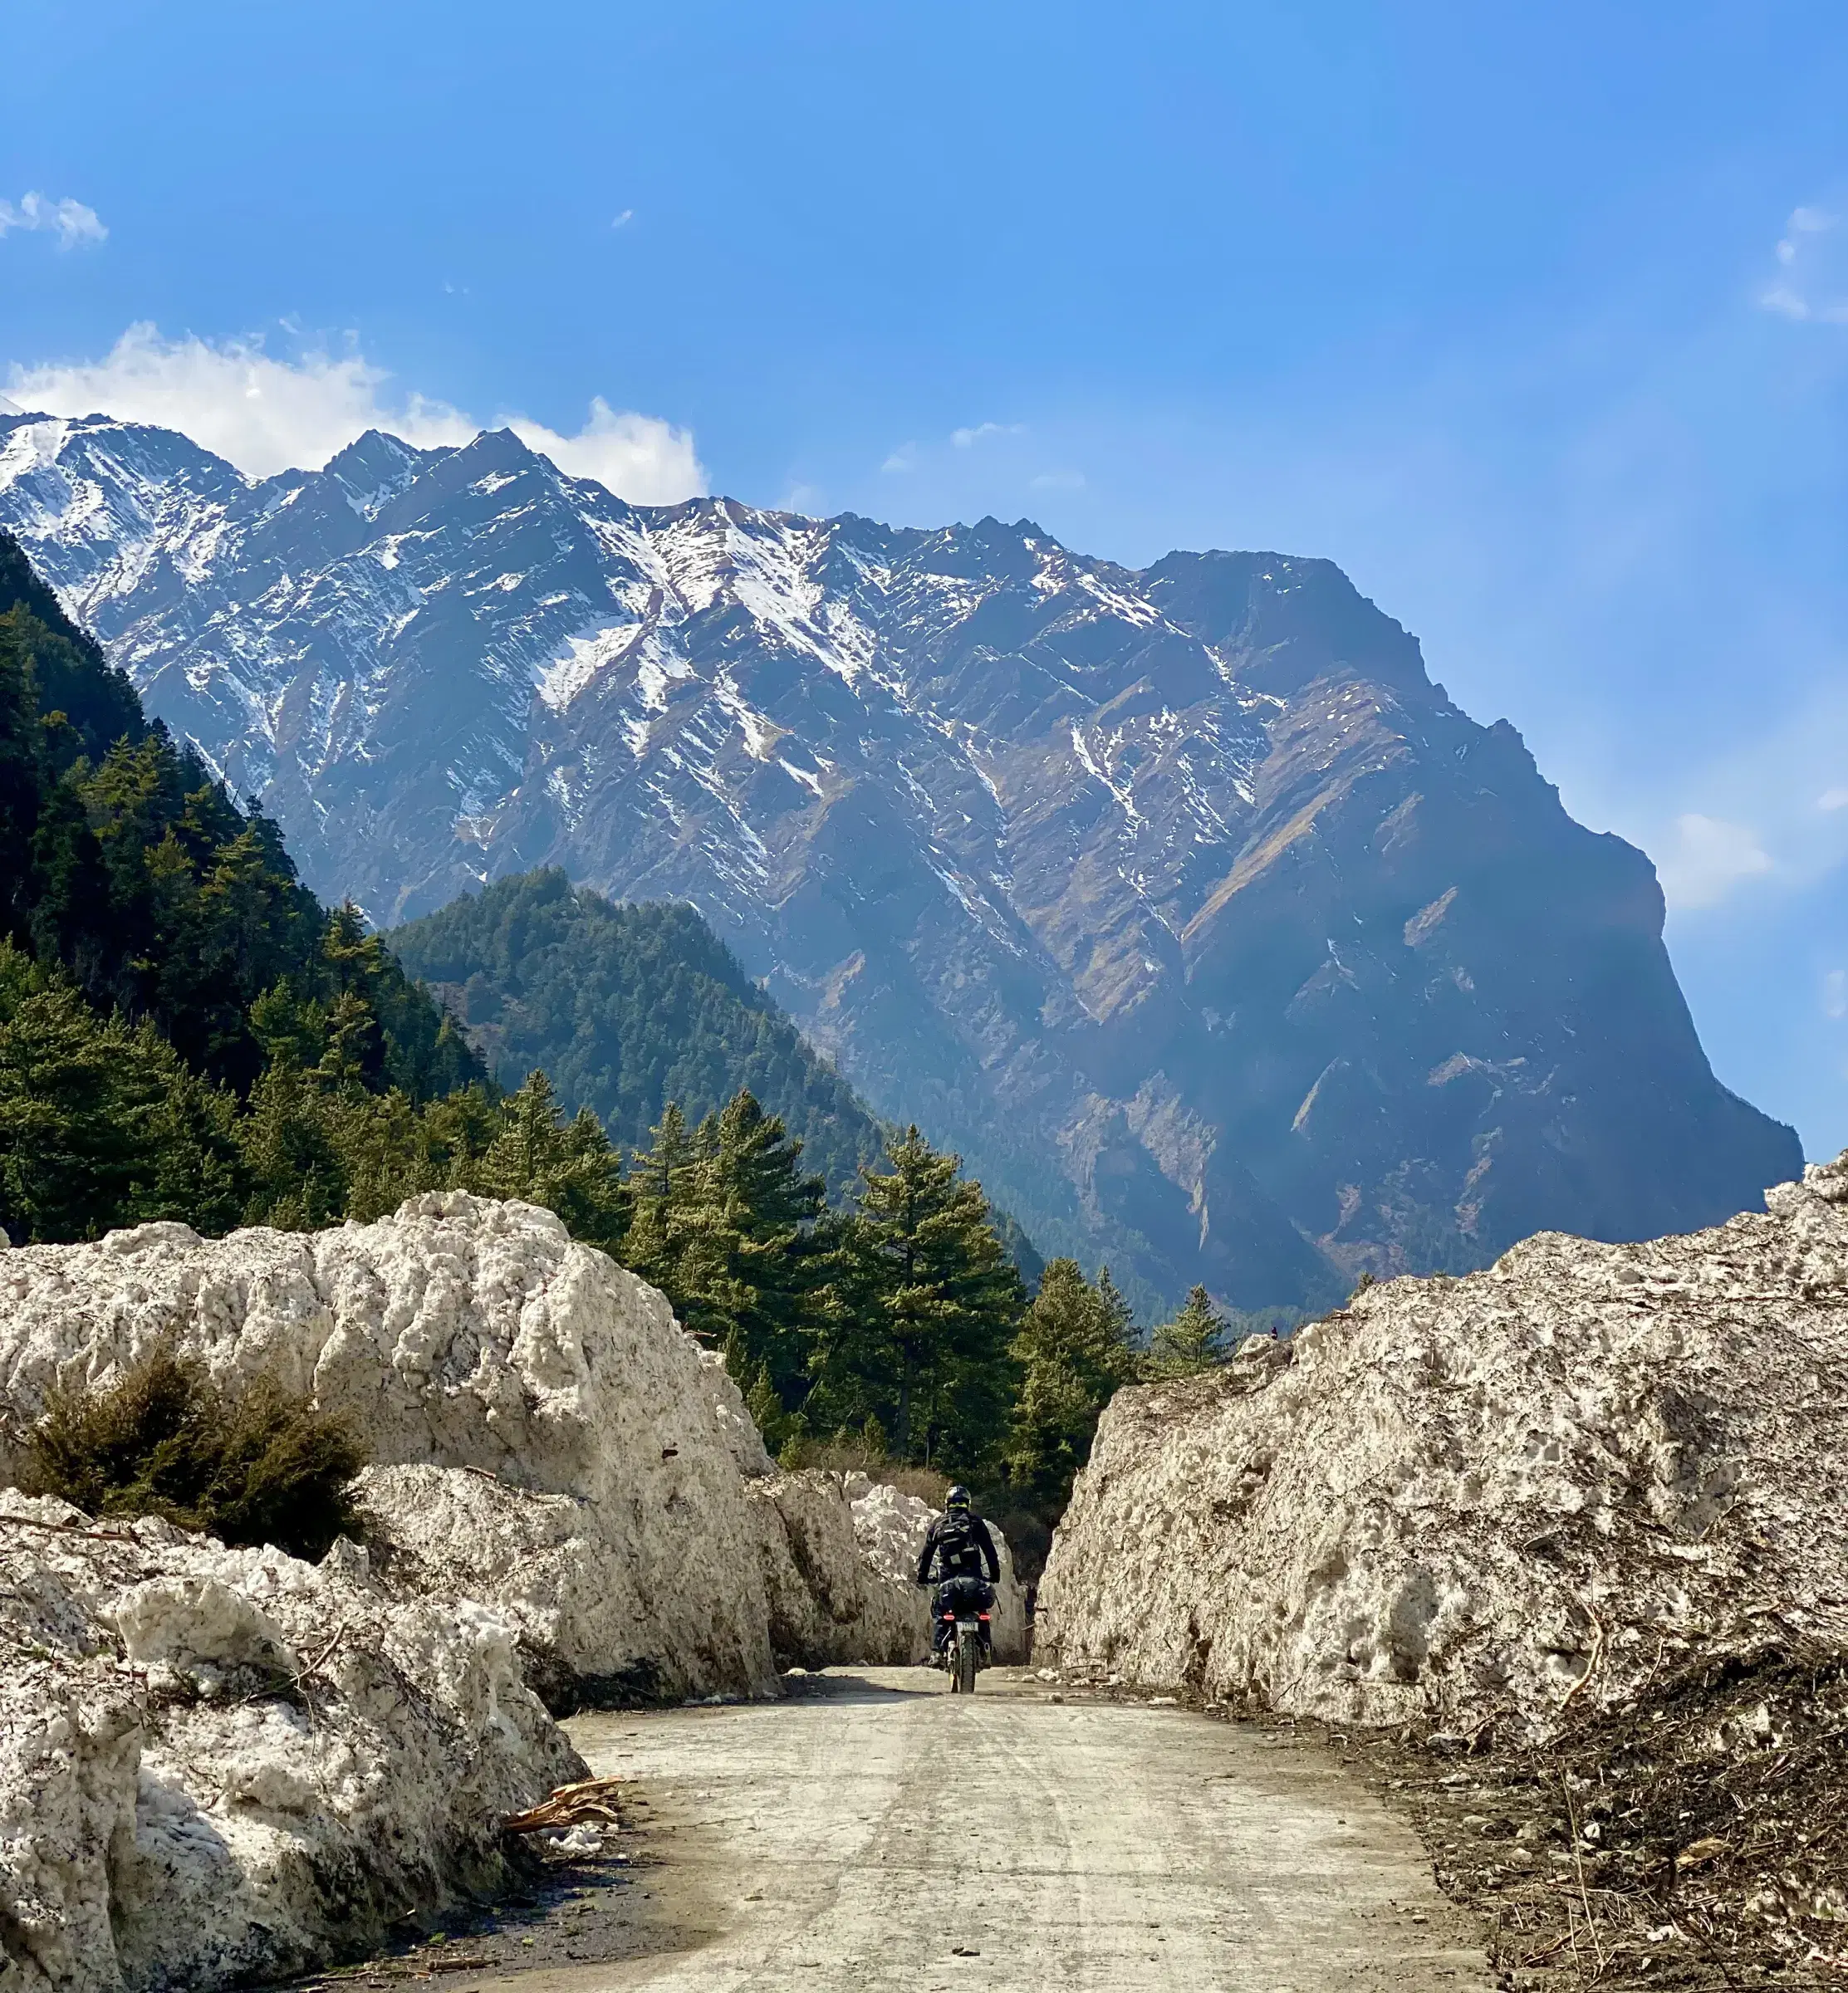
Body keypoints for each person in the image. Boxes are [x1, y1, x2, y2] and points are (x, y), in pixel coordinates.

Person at [914, 1485, 1001, 1656]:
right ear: (967, 1504)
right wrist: (995, 1575)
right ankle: (985, 1649)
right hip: (973, 1577)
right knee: (981, 1611)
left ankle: (938, 1652)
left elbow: (926, 1555)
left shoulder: (938, 1523)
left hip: (948, 1579)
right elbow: (990, 1551)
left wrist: (922, 1577)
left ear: (947, 1504)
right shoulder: (975, 1522)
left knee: (940, 1610)